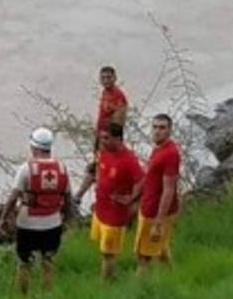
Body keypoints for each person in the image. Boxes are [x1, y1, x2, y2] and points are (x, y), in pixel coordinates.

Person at [0, 127, 72, 295]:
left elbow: (13, 197)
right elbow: (68, 198)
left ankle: (23, 298)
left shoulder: (26, 168)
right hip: (53, 223)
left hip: (27, 224)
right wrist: (66, 219)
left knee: (24, 264)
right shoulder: (61, 168)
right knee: (48, 263)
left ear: (33, 147)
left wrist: (3, 217)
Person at [88, 122, 144, 280]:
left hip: (115, 214)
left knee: (109, 253)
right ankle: (110, 277)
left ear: (118, 139)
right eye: (101, 138)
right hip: (101, 209)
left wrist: (132, 198)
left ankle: (105, 283)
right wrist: (98, 186)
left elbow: (141, 180)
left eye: (106, 138)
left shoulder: (129, 159)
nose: (102, 141)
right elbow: (99, 168)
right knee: (102, 248)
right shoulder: (104, 152)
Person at [74, 66, 130, 207]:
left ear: (115, 78)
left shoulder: (118, 96)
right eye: (103, 78)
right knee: (96, 167)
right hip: (100, 137)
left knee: (104, 169)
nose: (106, 80)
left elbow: (119, 123)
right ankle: (79, 197)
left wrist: (108, 141)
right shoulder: (105, 93)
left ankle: (98, 199)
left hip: (109, 140)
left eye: (109, 77)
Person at [135, 114, 181, 272]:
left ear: (170, 130)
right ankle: (173, 276)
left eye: (162, 128)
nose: (157, 131)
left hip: (155, 212)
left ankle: (138, 286)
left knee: (144, 256)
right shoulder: (158, 148)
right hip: (148, 205)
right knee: (161, 249)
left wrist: (158, 222)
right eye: (154, 127)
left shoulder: (171, 154)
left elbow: (169, 189)